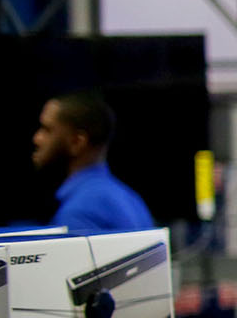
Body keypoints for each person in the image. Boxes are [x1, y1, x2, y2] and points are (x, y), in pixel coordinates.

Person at [31, 91, 155, 231]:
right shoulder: (132, 199)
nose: (37, 138)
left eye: (47, 130)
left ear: (77, 142)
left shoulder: (79, 213)